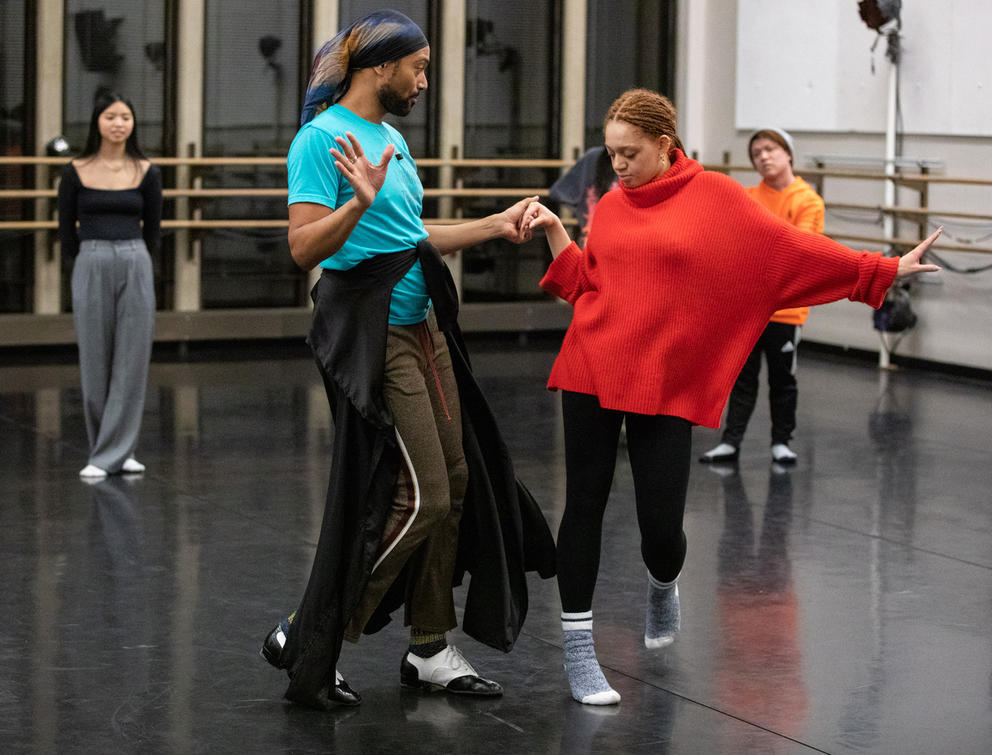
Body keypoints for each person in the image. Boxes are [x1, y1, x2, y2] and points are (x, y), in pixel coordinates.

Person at [522, 88, 940, 706]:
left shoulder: (715, 196)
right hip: (591, 365)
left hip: (662, 379)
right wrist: (559, 232)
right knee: (582, 507)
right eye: (612, 154)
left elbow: (786, 250)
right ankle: (581, 656)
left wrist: (880, 269)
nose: (619, 166)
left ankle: (664, 583)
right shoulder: (610, 204)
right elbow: (587, 283)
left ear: (667, 146)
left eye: (630, 153)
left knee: (661, 531)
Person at [259, 9, 555, 711]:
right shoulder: (321, 139)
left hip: (425, 327)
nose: (425, 81)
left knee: (453, 481)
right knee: (420, 495)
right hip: (375, 333)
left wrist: (494, 223)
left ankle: (429, 645)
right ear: (380, 67)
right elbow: (304, 248)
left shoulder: (387, 137)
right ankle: (310, 631)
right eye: (418, 67)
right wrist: (355, 205)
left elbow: (412, 233)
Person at [700, 128, 824, 465]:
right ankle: (731, 441)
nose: (764, 157)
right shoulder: (746, 197)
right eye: (756, 153)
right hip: (746, 311)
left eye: (770, 149)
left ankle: (781, 441)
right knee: (742, 378)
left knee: (783, 379)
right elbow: (733, 247)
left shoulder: (808, 200)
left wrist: (759, 252)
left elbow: (799, 252)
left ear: (788, 154)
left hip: (786, 311)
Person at [58, 91, 162, 480]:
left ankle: (118, 452)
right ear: (97, 122)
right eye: (110, 117)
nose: (119, 123)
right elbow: (65, 229)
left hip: (135, 258)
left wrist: (133, 257)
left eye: (125, 117)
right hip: (91, 259)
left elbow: (153, 229)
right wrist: (90, 258)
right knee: (95, 359)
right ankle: (106, 450)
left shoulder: (147, 171)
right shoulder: (77, 170)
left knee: (132, 359)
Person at [548, 146, 617, 248]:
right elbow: (558, 191)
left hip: (606, 240)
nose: (620, 165)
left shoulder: (593, 156)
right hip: (591, 241)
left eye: (630, 155)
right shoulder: (593, 157)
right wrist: (582, 211)